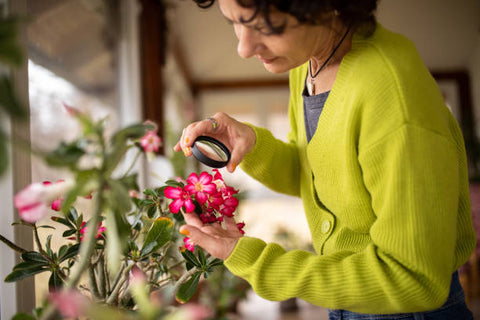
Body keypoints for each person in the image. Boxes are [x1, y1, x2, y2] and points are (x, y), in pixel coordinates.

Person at [173, 0, 477, 318]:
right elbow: (315, 174)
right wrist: (251, 144)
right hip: (349, 302)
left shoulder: (393, 95)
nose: (244, 48)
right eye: (234, 22)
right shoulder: (309, 62)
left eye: (265, 26)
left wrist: (258, 263)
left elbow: (414, 278)